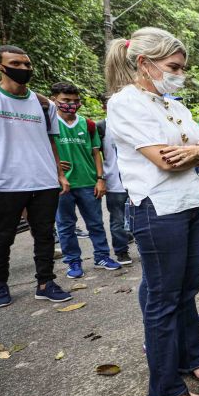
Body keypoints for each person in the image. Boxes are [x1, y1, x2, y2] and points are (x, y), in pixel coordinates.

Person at [106, 27, 199, 396]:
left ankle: (191, 359)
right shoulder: (125, 103)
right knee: (163, 298)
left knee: (188, 290)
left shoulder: (174, 105)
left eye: (181, 67)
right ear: (144, 63)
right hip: (157, 209)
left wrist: (195, 151)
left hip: (189, 205)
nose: (179, 73)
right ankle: (165, 386)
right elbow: (163, 160)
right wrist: (194, 153)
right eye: (173, 66)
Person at [0, 45, 72, 307]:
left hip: (43, 180)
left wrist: (60, 174)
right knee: (3, 237)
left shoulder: (43, 104)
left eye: (27, 64)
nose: (23, 69)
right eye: (16, 64)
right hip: (5, 182)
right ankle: (0, 285)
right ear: (1, 67)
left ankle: (45, 282)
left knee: (44, 235)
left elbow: (52, 142)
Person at [52, 83, 122, 278]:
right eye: (66, 100)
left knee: (96, 223)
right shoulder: (49, 124)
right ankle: (73, 262)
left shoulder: (88, 124)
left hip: (88, 182)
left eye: (75, 101)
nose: (71, 104)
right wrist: (55, 166)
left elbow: (96, 153)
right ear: (54, 100)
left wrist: (100, 179)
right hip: (61, 185)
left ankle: (101, 256)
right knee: (65, 226)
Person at [97, 109, 134, 265]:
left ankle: (145, 247)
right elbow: (94, 154)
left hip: (136, 182)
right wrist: (100, 179)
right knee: (117, 220)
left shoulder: (133, 124)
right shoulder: (102, 126)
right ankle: (121, 251)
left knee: (140, 217)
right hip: (114, 183)